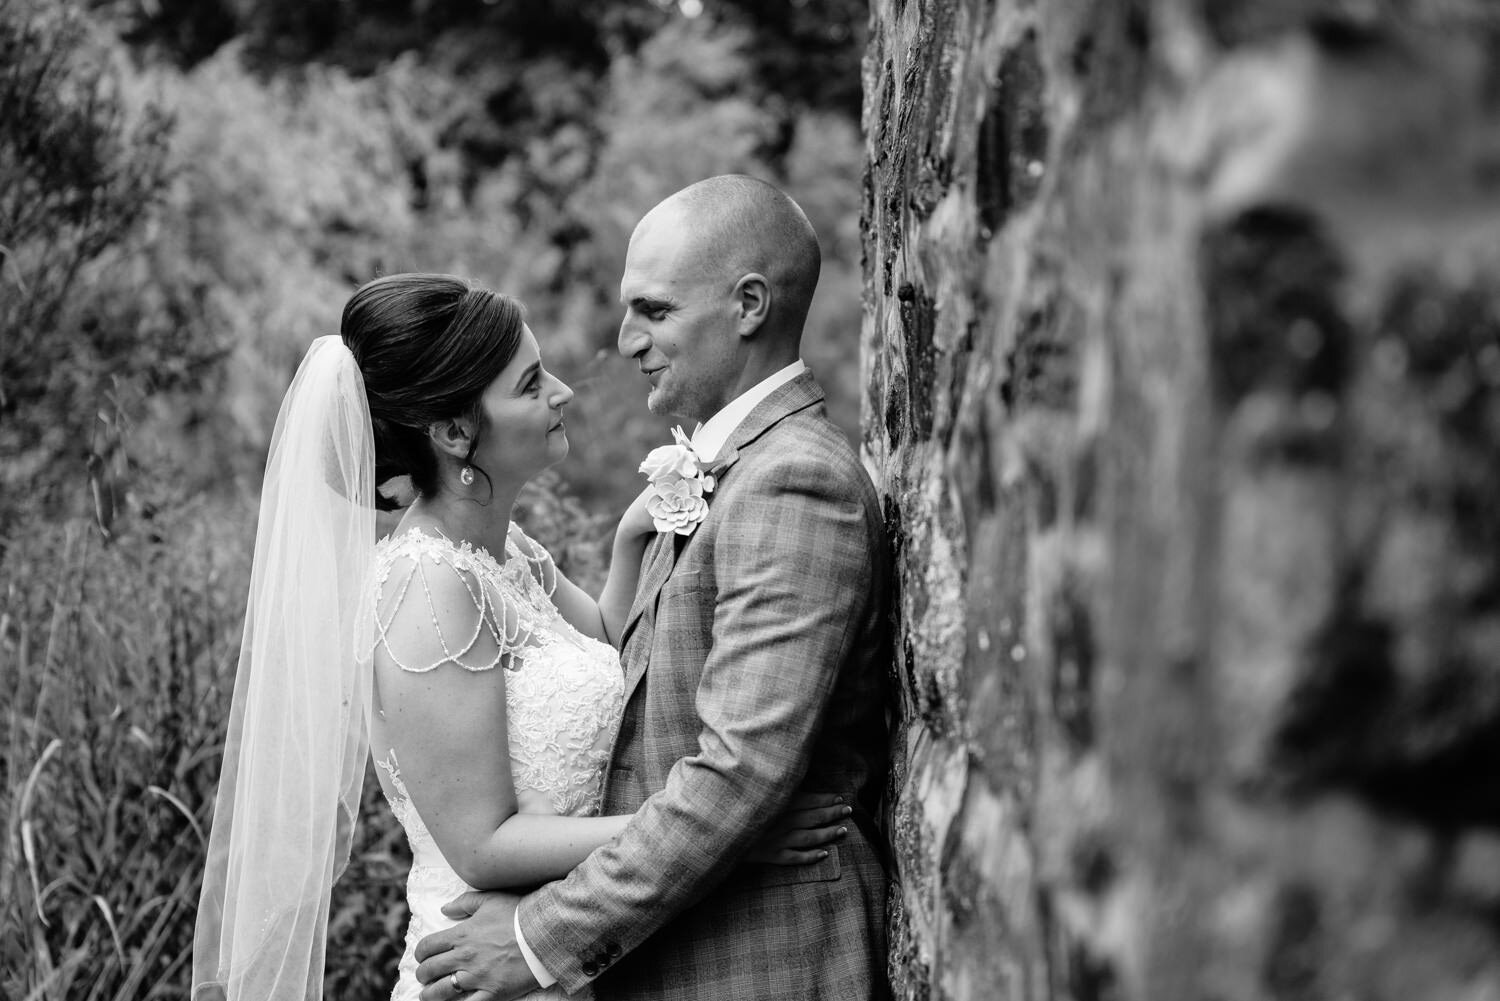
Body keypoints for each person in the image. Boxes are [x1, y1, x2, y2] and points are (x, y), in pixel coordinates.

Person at [190, 273, 849, 1001]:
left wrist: (635, 536)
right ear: (453, 432)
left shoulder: (504, 552)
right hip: (483, 969)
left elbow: (601, 641)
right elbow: (483, 844)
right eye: (532, 384)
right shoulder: (427, 587)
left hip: (560, 958)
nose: (562, 391)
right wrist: (725, 838)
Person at [413, 175, 892, 1001]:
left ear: (748, 305)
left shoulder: (792, 483)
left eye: (655, 310)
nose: (626, 338)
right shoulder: (730, 475)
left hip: (764, 962)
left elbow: (736, 774)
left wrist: (536, 937)